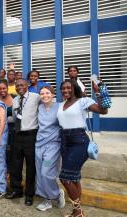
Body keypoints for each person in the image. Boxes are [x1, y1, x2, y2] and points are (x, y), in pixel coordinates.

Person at [57, 79, 107, 217]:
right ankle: (76, 211)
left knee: (64, 177)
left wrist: (99, 92)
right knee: (74, 178)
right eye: (63, 88)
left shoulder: (82, 101)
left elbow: (103, 110)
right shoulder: (61, 105)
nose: (66, 90)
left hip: (79, 141)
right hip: (64, 141)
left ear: (74, 88)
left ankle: (78, 211)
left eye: (69, 88)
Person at [6, 79, 40, 206]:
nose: (20, 87)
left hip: (31, 135)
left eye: (22, 85)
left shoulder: (36, 97)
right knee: (15, 165)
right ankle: (16, 190)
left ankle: (29, 194)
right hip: (17, 134)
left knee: (31, 166)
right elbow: (14, 118)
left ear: (27, 86)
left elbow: (48, 103)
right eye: (17, 85)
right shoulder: (15, 100)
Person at [35, 86, 65, 211]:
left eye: (47, 93)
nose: (44, 95)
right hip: (39, 144)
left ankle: (57, 193)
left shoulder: (59, 107)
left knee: (46, 172)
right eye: (42, 93)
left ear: (53, 94)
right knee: (40, 174)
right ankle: (46, 200)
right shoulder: (40, 108)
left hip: (53, 145)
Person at [0, 81, 14, 167]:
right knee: (0, 150)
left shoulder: (14, 98)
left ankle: (8, 170)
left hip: (11, 129)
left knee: (10, 150)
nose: (2, 90)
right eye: (0, 89)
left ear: (7, 88)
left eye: (4, 88)